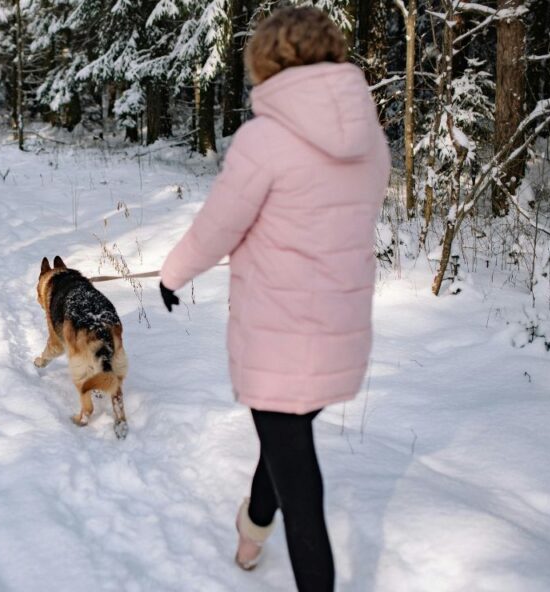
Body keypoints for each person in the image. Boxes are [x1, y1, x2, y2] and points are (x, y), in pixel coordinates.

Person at [158, 6, 391, 591]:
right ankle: (252, 530)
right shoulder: (368, 135)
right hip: (339, 333)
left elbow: (218, 227)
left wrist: (171, 274)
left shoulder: (265, 139)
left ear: (265, 59)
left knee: (300, 486)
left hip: (279, 338)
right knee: (285, 438)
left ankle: (283, 554)